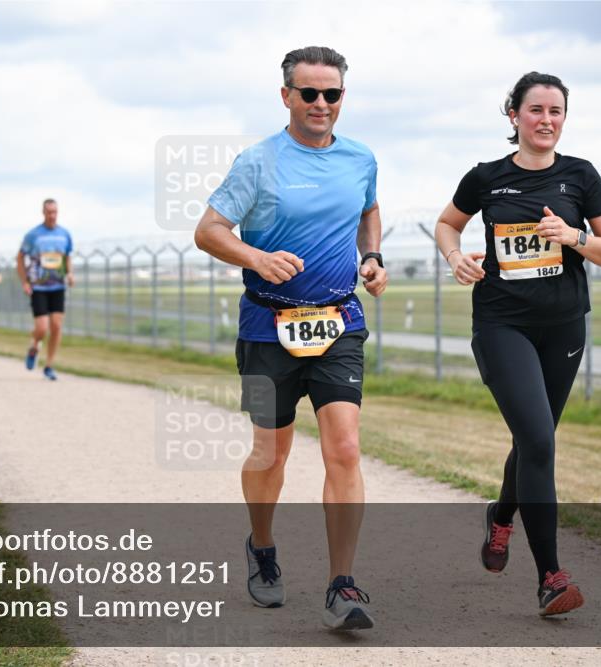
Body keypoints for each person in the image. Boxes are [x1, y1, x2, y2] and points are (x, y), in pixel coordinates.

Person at [194, 46, 387, 630]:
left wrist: (371, 257)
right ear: (287, 96)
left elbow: (368, 210)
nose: (322, 104)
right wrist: (255, 255)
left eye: (332, 94)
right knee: (268, 452)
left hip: (338, 324)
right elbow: (207, 231)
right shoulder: (258, 162)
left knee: (345, 448)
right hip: (264, 327)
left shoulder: (361, 158)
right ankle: (261, 545)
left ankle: (343, 584)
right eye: (310, 93)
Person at [434, 72, 601, 617]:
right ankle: (551, 578)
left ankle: (500, 516)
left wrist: (576, 237)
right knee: (540, 441)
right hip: (502, 325)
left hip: (564, 327)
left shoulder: (580, 176)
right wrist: (455, 257)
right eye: (536, 109)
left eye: (556, 111)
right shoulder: (486, 177)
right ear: (513, 114)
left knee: (533, 441)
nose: (546, 120)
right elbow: (447, 225)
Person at [18, 198, 74, 380]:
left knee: (56, 326)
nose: (52, 215)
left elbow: (67, 257)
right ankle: (34, 346)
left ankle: (49, 365)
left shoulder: (64, 234)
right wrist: (25, 281)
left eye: (55, 212)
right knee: (42, 328)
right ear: (43, 213)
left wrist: (70, 273)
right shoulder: (33, 235)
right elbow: (20, 257)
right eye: (49, 212)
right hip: (39, 286)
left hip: (58, 286)